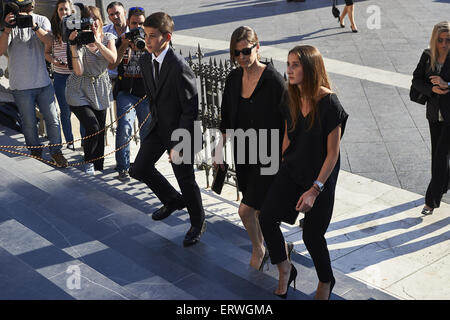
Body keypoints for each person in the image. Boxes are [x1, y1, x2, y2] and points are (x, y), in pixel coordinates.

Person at [259, 45, 348, 299]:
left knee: (312, 235)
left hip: (319, 177)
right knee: (266, 217)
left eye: (295, 64)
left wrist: (314, 189)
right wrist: (276, 168)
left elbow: (333, 154)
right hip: (292, 170)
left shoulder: (329, 103)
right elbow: (288, 137)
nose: (289, 69)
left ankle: (326, 280)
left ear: (310, 67)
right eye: (288, 64)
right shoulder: (291, 96)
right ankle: (285, 268)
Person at [215, 26, 291, 270]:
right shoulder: (233, 78)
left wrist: (283, 158)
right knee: (259, 211)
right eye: (236, 54)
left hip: (269, 158)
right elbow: (226, 118)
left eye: (246, 51)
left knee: (246, 211)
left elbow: (290, 122)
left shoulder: (274, 81)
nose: (241, 58)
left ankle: (259, 249)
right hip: (243, 155)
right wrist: (219, 150)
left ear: (257, 47)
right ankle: (277, 246)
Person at [129, 12, 206, 247]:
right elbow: (155, 97)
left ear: (167, 37)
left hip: (181, 132)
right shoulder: (144, 60)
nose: (148, 40)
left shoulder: (179, 66)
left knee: (186, 179)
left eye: (152, 36)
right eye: (146, 35)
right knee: (139, 168)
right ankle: (172, 200)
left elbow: (190, 109)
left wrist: (179, 144)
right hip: (159, 127)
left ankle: (197, 222)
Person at [0, 0, 68, 167]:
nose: (25, 11)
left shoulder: (41, 20)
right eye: (21, 7)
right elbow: (0, 51)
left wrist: (34, 26)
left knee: (53, 118)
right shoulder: (10, 22)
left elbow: (50, 42)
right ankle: (35, 151)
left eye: (27, 6)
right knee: (28, 123)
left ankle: (56, 152)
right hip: (21, 86)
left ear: (33, 5)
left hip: (43, 82)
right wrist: (7, 28)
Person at [65, 5, 117, 174]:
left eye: (95, 18)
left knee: (100, 130)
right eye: (89, 20)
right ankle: (88, 163)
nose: (93, 23)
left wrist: (96, 42)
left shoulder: (108, 37)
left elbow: (112, 59)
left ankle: (98, 167)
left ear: (100, 20)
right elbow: (78, 71)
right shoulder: (79, 40)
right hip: (78, 89)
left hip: (100, 87)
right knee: (93, 126)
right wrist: (73, 45)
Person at [412, 21, 450, 215]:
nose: (444, 45)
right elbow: (416, 81)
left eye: (448, 40)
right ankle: (443, 185)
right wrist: (432, 89)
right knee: (438, 154)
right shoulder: (428, 56)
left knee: (440, 158)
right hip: (434, 115)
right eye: (440, 40)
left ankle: (431, 200)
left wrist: (447, 83)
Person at [108, 6, 150, 182]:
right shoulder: (121, 40)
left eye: (141, 24)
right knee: (124, 127)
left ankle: (145, 166)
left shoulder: (151, 39)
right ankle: (123, 167)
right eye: (134, 23)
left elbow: (159, 63)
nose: (137, 27)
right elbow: (112, 65)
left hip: (146, 93)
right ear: (128, 23)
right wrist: (124, 44)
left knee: (147, 131)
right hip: (126, 92)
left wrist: (146, 46)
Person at [45, 0, 84, 150]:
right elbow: (47, 53)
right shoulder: (53, 32)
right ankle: (70, 143)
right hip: (60, 77)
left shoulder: (77, 28)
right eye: (61, 10)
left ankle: (84, 141)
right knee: (65, 111)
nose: (64, 12)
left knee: (81, 110)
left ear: (72, 11)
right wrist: (55, 61)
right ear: (57, 12)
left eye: (66, 9)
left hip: (77, 75)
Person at [103, 1, 127, 81]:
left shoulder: (132, 30)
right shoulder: (104, 32)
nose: (115, 17)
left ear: (124, 13)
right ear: (109, 17)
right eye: (111, 15)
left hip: (127, 78)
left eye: (117, 13)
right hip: (108, 78)